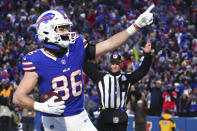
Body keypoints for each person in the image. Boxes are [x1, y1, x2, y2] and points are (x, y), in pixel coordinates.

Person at [13, 4, 155, 131]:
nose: (67, 32)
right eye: (61, 29)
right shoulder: (37, 59)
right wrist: (41, 107)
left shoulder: (76, 46)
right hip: (54, 122)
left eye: (66, 28)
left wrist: (135, 26)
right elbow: (18, 97)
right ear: (47, 31)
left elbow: (110, 43)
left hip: (80, 118)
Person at [83, 39, 152, 131]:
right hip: (105, 115)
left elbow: (142, 71)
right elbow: (86, 67)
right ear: (109, 64)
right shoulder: (100, 77)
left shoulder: (127, 78)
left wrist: (147, 55)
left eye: (117, 63)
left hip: (121, 115)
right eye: (113, 63)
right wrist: (81, 52)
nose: (114, 66)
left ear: (121, 64)